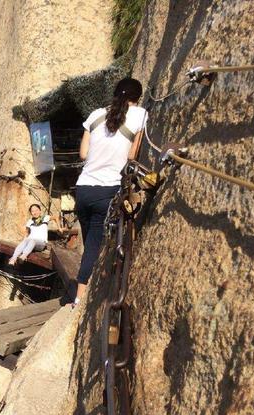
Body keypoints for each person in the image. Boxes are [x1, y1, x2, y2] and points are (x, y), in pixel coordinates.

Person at [72, 77, 147, 306]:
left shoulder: (95, 115)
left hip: (83, 189)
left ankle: (91, 279)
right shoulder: (140, 115)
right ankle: (79, 300)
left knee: (91, 244)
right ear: (138, 97)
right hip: (108, 189)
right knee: (96, 245)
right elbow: (132, 156)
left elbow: (83, 154)